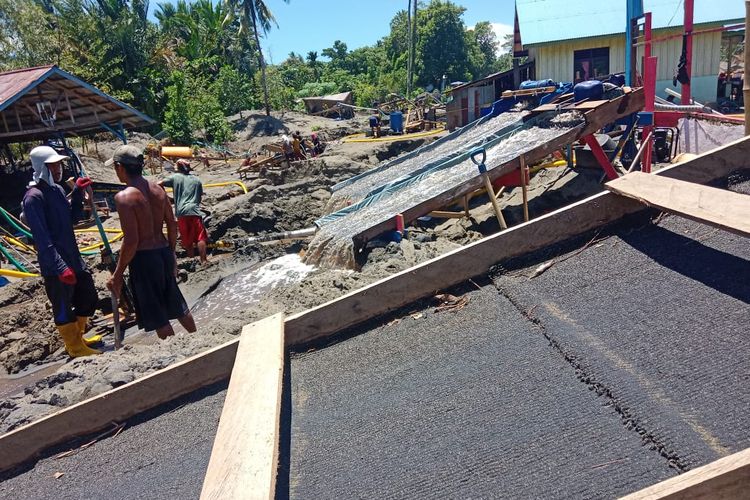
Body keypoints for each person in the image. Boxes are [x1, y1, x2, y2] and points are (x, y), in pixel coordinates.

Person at [105, 145, 196, 339]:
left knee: (157, 315)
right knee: (178, 305)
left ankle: (175, 351)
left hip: (144, 260)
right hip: (163, 252)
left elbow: (131, 240)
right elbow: (172, 225)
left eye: (115, 168)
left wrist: (118, 273)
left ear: (120, 167)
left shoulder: (124, 197)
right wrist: (171, 253)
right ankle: (197, 339)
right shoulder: (158, 189)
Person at [22, 146, 101, 357]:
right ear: (42, 167)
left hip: (73, 257)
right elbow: (41, 238)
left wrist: (76, 194)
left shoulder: (56, 191)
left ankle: (79, 336)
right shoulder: (34, 198)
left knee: (88, 296)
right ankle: (74, 347)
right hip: (55, 264)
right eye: (53, 165)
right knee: (63, 304)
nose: (58, 169)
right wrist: (59, 266)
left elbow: (73, 219)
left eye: (58, 164)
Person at [158, 160, 208, 264]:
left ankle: (191, 260)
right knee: (200, 237)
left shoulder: (175, 177)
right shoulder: (197, 180)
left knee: (187, 238)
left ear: (178, 169)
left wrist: (167, 198)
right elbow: (199, 197)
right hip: (194, 210)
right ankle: (203, 261)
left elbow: (158, 184)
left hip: (181, 212)